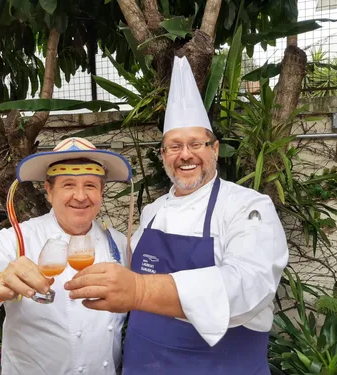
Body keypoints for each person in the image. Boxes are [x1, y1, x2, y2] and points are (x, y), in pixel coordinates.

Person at [64, 57, 289, 374]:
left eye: (196, 143)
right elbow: (126, 267)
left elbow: (248, 286)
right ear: (164, 155)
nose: (185, 154)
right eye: (174, 146)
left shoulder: (248, 206)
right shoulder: (154, 212)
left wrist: (141, 291)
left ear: (215, 149)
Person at [0, 137, 133, 375]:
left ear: (101, 192)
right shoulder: (18, 238)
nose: (80, 196)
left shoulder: (118, 243)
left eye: (90, 185)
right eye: (68, 185)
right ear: (49, 191)